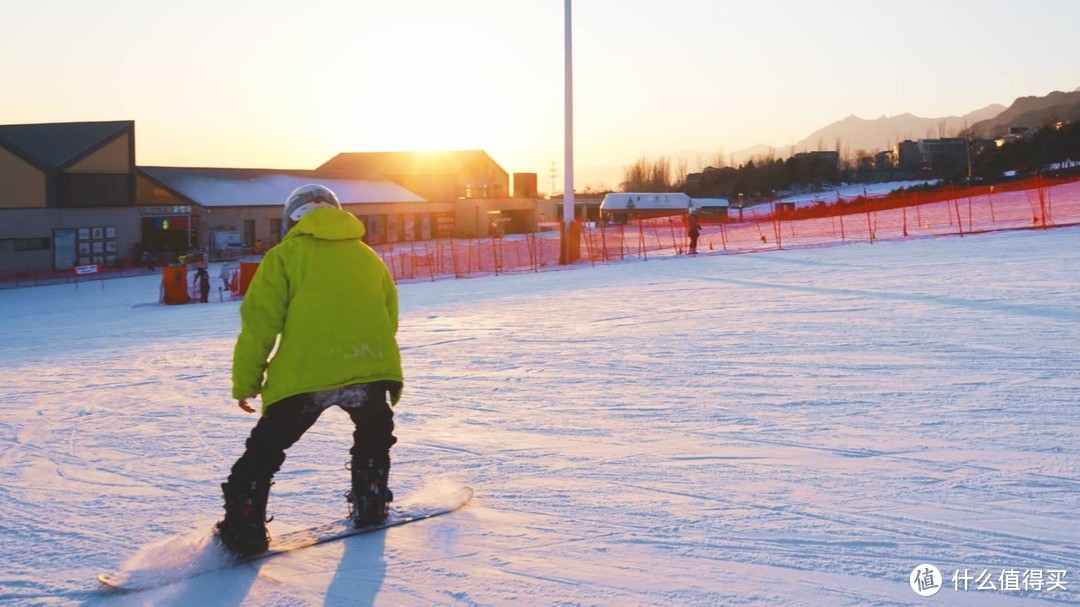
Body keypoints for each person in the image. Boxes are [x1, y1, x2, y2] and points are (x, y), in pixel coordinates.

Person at [214, 184, 403, 558]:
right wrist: (364, 357)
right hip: (367, 371)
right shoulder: (367, 256)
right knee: (373, 437)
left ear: (291, 220)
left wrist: (246, 382)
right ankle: (370, 505)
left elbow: (259, 326)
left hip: (304, 377)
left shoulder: (284, 257)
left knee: (264, 453)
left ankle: (244, 530)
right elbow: (388, 316)